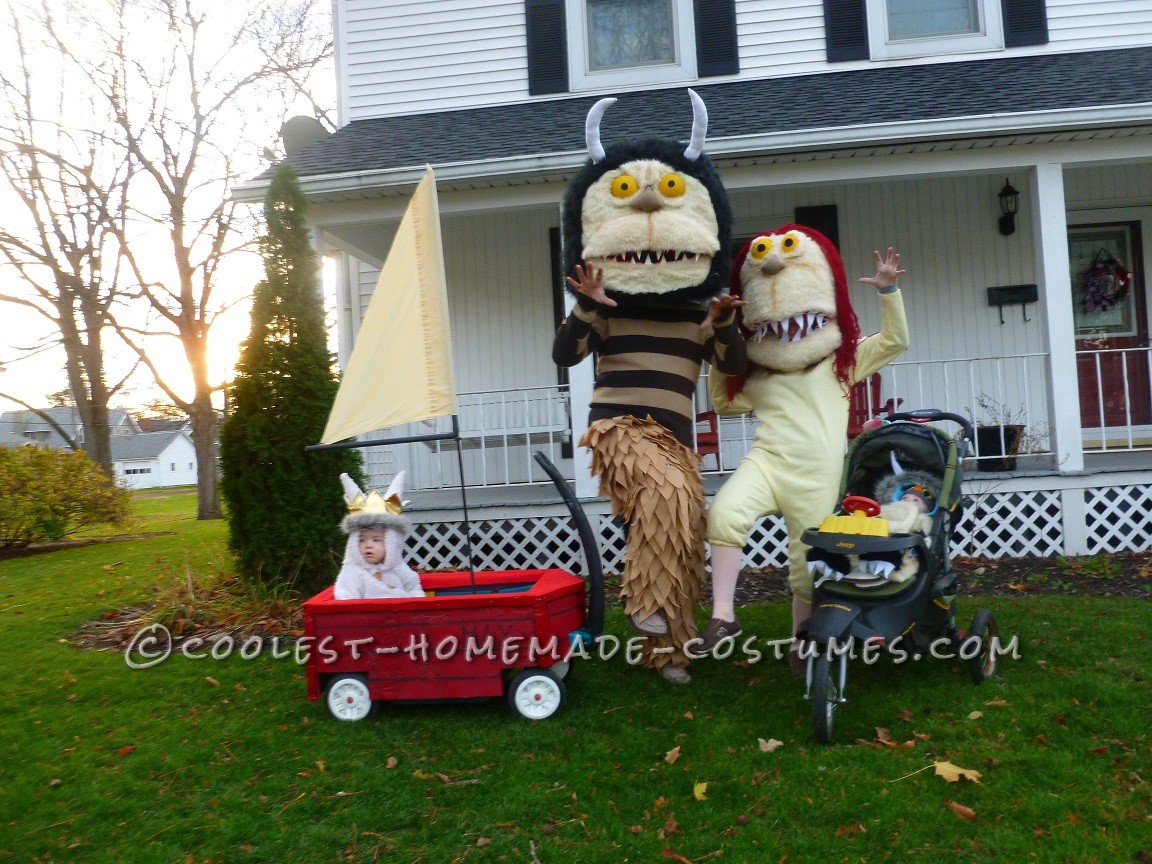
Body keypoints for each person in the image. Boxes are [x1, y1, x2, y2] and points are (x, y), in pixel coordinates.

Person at [552, 91, 746, 685]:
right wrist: (587, 307)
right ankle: (642, 609)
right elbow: (565, 355)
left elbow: (735, 366)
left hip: (675, 439)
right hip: (620, 428)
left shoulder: (698, 316)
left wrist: (725, 325)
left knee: (683, 530)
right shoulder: (607, 311)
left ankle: (669, 651)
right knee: (665, 497)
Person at [700, 228, 909, 673]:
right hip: (768, 464)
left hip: (818, 475)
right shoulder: (758, 374)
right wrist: (718, 351)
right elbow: (722, 402)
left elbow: (894, 342)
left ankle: (802, 640)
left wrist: (889, 291)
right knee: (724, 514)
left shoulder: (841, 362)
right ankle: (723, 615)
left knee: (804, 562)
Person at [333, 472, 424, 600]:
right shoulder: (352, 572)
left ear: (391, 542)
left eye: (376, 540)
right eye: (362, 540)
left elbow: (414, 588)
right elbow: (346, 598)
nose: (368, 545)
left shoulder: (399, 568)